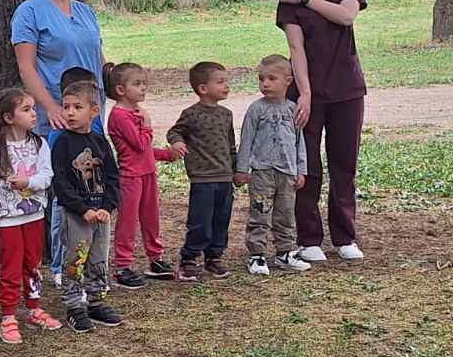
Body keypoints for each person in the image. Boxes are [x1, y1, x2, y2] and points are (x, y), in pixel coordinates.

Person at [276, 0, 369, 262]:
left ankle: (345, 237)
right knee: (307, 165)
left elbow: (345, 16)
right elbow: (296, 49)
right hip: (309, 93)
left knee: (344, 164)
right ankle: (309, 238)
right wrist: (304, 93)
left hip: (348, 90)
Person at [0, 88, 61, 345]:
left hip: (35, 215)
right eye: (26, 109)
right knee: (11, 266)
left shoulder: (40, 144)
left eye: (33, 108)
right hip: (9, 220)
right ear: (8, 117)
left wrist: (29, 182)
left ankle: (34, 307)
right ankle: (8, 315)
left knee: (33, 264)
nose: (34, 114)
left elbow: (47, 176)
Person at [50, 81, 124, 334]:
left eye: (77, 107)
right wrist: (82, 209)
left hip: (100, 215)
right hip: (77, 216)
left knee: (98, 258)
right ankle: (74, 306)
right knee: (76, 258)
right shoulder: (62, 143)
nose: (70, 112)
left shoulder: (100, 142)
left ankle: (96, 301)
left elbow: (112, 177)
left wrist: (107, 207)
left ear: (94, 111)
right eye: (66, 107)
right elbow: (60, 182)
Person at [11, 0, 107, 135]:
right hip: (60, 116)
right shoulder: (29, 12)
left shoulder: (85, 11)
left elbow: (98, 57)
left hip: (91, 113)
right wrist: (51, 107)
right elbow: (26, 68)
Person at [103, 62, 180, 288]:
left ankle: (155, 259)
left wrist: (166, 154)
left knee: (151, 218)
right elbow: (139, 144)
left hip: (148, 174)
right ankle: (122, 267)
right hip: (130, 178)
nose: (143, 88)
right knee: (127, 222)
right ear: (120, 90)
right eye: (137, 84)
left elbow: (144, 151)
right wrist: (147, 124)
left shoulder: (135, 112)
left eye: (144, 83)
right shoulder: (119, 115)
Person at [235, 57, 313, 276]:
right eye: (261, 79)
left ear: (288, 81)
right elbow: (247, 140)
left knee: (286, 214)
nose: (265, 84)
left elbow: (299, 142)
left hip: (287, 174)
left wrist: (301, 170)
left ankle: (285, 252)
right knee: (260, 213)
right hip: (262, 173)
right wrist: (242, 169)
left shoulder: (293, 109)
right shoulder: (256, 110)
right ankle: (257, 255)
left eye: (271, 78)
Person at [166, 62, 238, 282]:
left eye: (226, 81)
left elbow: (231, 145)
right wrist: (177, 142)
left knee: (221, 220)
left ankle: (214, 257)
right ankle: (189, 259)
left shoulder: (226, 114)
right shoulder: (191, 114)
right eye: (220, 82)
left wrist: (237, 170)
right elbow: (174, 131)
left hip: (225, 178)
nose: (226, 86)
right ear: (203, 88)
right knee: (200, 221)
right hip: (202, 178)